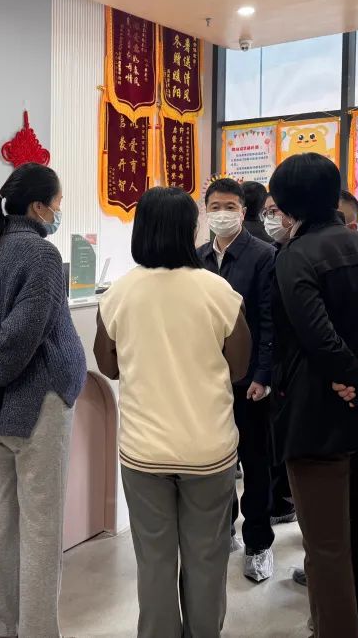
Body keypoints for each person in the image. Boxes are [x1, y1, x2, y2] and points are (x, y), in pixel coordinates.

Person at [269, 153, 358, 638]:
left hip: (317, 417)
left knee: (327, 547)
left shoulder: (294, 256)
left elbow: (321, 342)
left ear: (287, 206)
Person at [94, 187, 250, 638]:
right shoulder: (218, 291)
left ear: (141, 230)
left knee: (154, 560)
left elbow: (108, 366)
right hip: (209, 449)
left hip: (143, 452)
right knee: (207, 557)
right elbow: (240, 367)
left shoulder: (119, 293)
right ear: (188, 230)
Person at [0, 163, 87, 638]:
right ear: (38, 207)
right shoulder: (42, 254)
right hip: (38, 405)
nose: (59, 212)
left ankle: (0, 626)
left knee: (2, 522)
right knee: (42, 529)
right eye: (58, 203)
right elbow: (23, 332)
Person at [198, 178, 278, 582]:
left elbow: (268, 320)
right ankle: (224, 526)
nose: (222, 214)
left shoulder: (263, 255)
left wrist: (263, 374)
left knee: (255, 462)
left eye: (230, 206)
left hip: (249, 380)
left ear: (244, 212)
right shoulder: (198, 257)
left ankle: (259, 544)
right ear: (205, 211)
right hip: (208, 379)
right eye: (215, 206)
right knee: (216, 459)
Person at [259, 193, 299, 532]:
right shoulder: (273, 253)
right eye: (267, 212)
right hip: (271, 368)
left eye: (277, 211)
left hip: (297, 369)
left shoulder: (298, 256)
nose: (272, 218)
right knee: (271, 443)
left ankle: (290, 502)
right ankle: (282, 501)